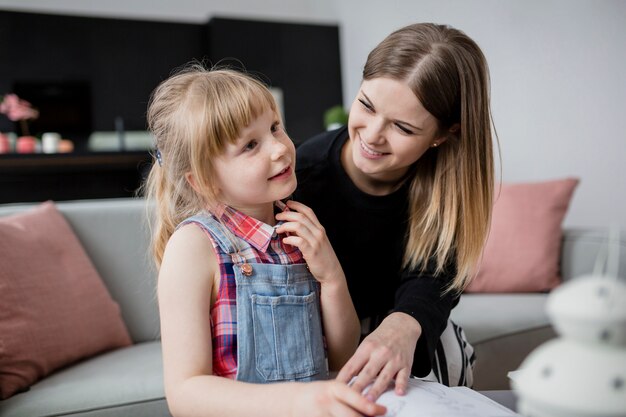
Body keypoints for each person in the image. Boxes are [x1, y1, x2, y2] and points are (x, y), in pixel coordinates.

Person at [143, 66, 387, 417]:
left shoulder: (300, 229)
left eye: (274, 127)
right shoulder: (194, 247)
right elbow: (185, 393)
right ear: (204, 181)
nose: (279, 149)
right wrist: (297, 402)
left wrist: (331, 277)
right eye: (250, 145)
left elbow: (341, 357)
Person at [295, 22, 495, 399]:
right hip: (321, 325)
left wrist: (404, 324)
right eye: (366, 105)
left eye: (402, 128)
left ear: (442, 135)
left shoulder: (447, 186)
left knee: (437, 359)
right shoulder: (303, 176)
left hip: (408, 320)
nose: (371, 135)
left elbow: (436, 279)